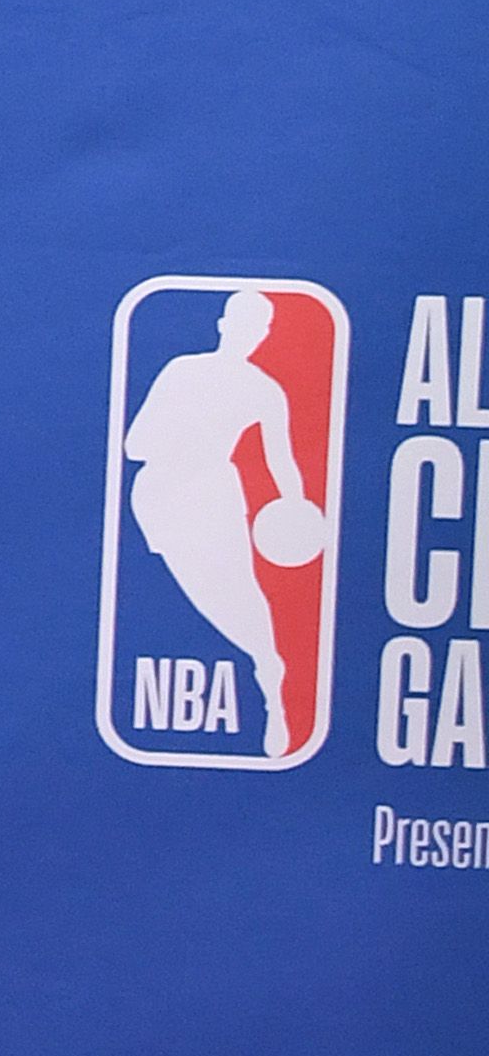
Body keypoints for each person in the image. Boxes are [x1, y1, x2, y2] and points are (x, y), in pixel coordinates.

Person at [124, 287, 324, 760]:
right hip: (158, 494)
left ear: (265, 335)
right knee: (200, 591)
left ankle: (270, 674)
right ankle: (265, 663)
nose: (250, 335)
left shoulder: (264, 389)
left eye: (260, 328)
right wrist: (181, 438)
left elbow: (283, 460)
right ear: (223, 325)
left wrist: (295, 508)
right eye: (244, 324)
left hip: (214, 492)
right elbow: (134, 444)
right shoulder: (182, 370)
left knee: (238, 589)